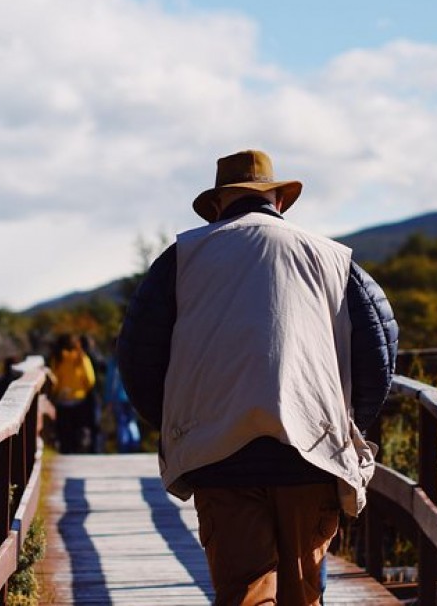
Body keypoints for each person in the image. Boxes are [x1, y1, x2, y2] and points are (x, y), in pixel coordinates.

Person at [117, 150, 398, 606]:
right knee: (303, 596)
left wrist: (182, 423)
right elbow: (379, 352)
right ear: (279, 202)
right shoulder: (331, 258)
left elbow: (138, 357)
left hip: (219, 458)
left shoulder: (181, 260)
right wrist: (345, 421)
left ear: (217, 206)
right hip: (310, 453)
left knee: (244, 596)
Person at [48, 333, 97, 454]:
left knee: (64, 431)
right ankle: (79, 451)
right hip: (79, 399)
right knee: (79, 429)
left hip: (62, 400)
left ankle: (66, 452)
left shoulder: (57, 358)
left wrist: (57, 392)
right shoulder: (81, 357)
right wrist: (83, 390)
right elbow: (90, 379)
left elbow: (54, 381)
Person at [103, 342, 141, 453]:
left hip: (118, 397)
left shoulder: (114, 361)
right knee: (131, 421)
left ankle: (124, 445)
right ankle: (134, 442)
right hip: (132, 396)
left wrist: (108, 399)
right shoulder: (132, 358)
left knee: (122, 422)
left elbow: (110, 382)